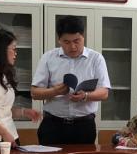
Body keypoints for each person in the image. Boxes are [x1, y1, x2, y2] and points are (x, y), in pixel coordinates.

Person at [30, 17, 110, 146]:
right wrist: (54, 91)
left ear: (83, 37)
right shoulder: (48, 58)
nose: (72, 47)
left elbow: (104, 92)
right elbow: (34, 93)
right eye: (66, 42)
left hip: (83, 126)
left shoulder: (96, 59)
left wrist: (86, 96)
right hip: (53, 125)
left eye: (77, 41)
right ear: (59, 40)